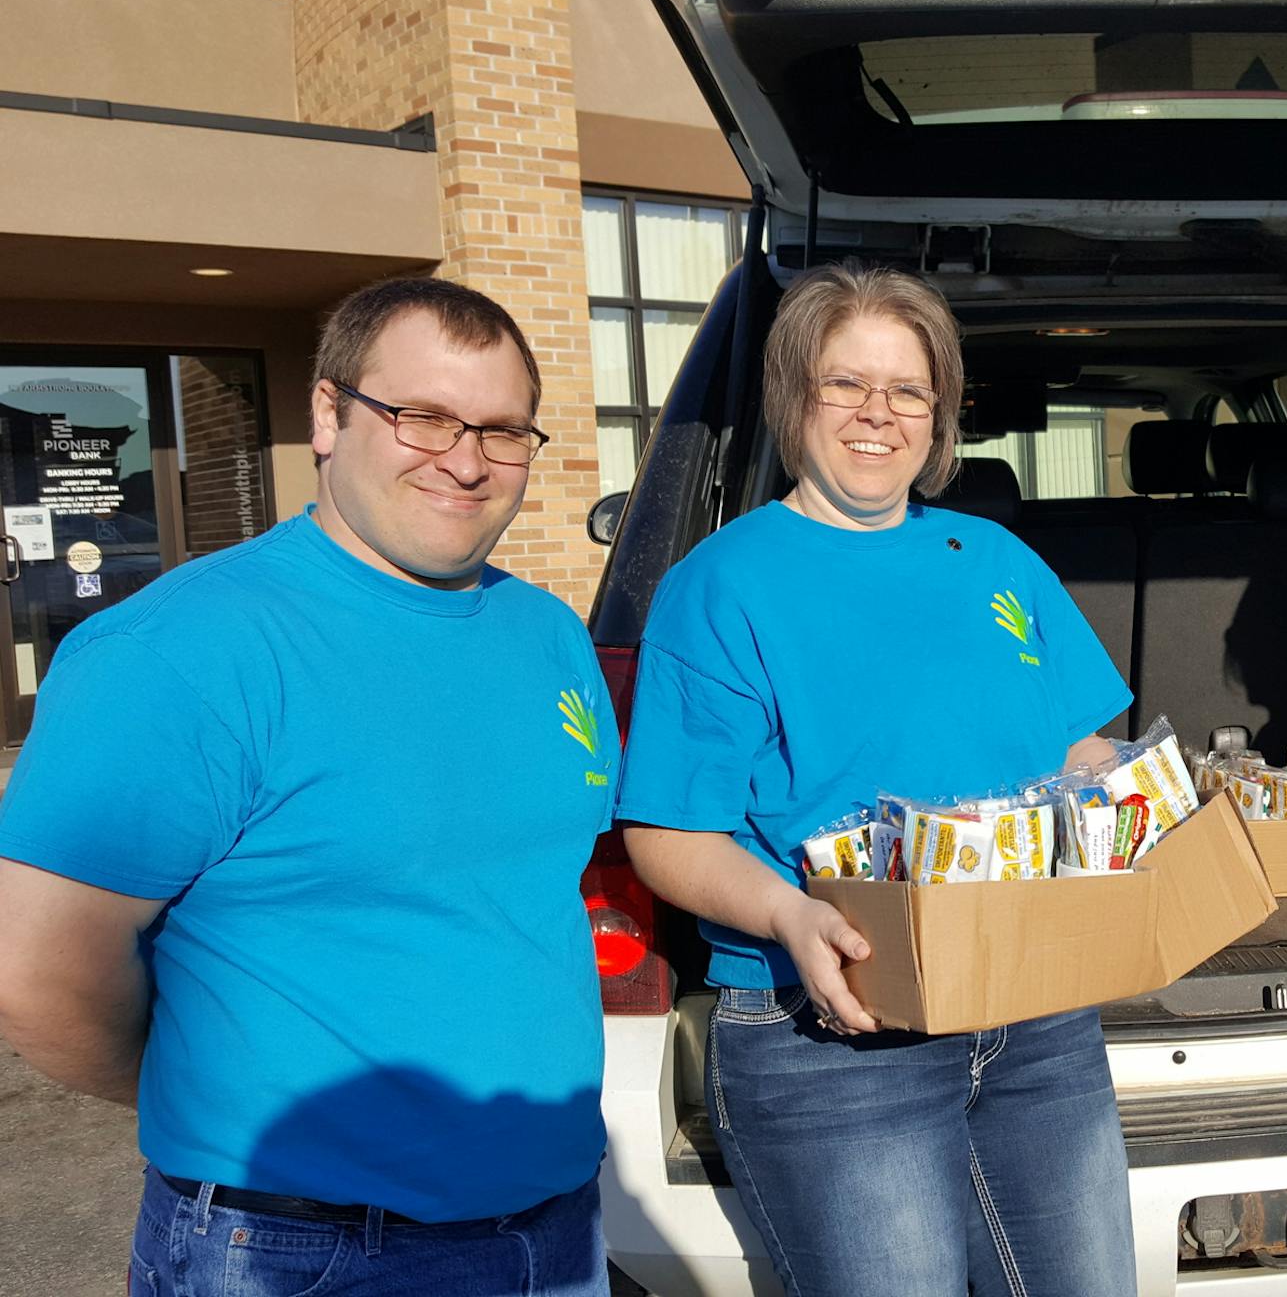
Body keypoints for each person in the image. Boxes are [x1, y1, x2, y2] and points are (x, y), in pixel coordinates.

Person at [0, 277, 617, 1295]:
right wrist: (207, 1085)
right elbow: (41, 976)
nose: (465, 460)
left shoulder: (548, 634)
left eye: (503, 430)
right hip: (301, 1249)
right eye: (422, 416)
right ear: (328, 415)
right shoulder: (180, 652)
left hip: (550, 1227)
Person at [616, 259, 1139, 1297]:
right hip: (839, 1028)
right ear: (792, 399)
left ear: (940, 414)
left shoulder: (994, 560)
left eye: (907, 388)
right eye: (843, 383)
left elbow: (1081, 748)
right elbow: (668, 835)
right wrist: (790, 917)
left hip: (1036, 1014)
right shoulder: (722, 585)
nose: (877, 413)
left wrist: (1139, 799)